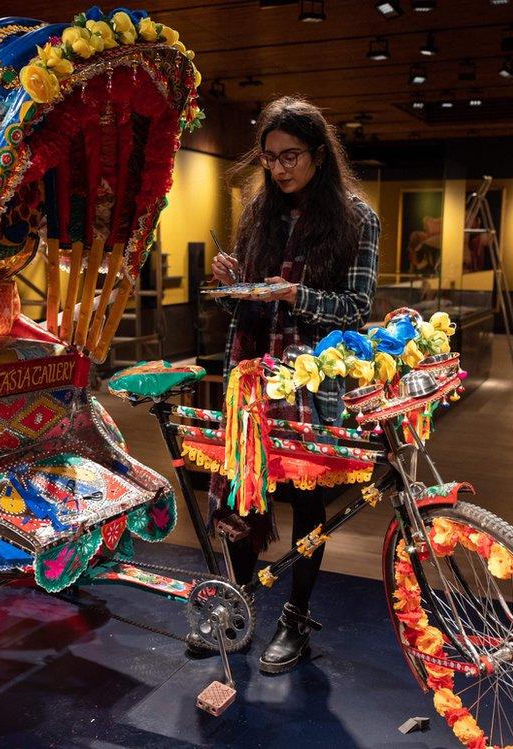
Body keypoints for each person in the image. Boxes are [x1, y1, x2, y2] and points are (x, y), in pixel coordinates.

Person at [206, 96, 380, 674]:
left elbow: (357, 309)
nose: (280, 169)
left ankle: (297, 619)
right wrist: (237, 277)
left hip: (311, 381)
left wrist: (294, 294)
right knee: (239, 488)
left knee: (308, 502)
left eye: (291, 157)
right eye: (270, 157)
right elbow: (251, 294)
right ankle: (240, 604)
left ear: (320, 155)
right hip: (252, 373)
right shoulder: (260, 211)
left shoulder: (357, 216)